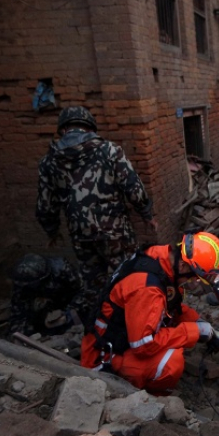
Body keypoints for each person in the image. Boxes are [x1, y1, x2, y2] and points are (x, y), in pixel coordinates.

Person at [36, 106, 156, 322]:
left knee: (93, 282)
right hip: (116, 232)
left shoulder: (49, 162)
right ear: (89, 127)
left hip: (81, 235)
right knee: (129, 274)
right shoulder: (109, 151)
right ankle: (137, 322)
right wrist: (146, 214)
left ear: (63, 129)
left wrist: (51, 231)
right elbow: (134, 188)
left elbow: (45, 204)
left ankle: (100, 326)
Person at [80, 232, 219, 394]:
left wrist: (197, 322)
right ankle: (147, 395)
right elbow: (143, 345)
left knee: (176, 339)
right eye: (195, 277)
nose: (194, 282)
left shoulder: (160, 258)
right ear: (183, 266)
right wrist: (194, 332)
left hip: (116, 338)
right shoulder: (147, 288)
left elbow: (171, 304)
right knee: (172, 362)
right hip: (102, 357)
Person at [8, 254, 82, 336]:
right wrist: (18, 334)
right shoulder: (23, 282)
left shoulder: (62, 269)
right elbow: (18, 312)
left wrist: (67, 315)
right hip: (46, 308)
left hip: (68, 300)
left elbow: (83, 292)